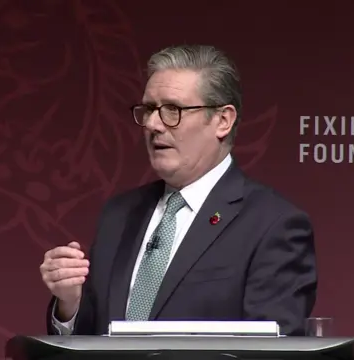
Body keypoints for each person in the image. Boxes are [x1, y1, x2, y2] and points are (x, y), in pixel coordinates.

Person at [40, 44, 317, 336]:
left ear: (223, 120)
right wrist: (69, 304)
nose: (152, 124)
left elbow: (271, 351)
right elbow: (93, 337)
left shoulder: (273, 225)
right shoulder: (119, 215)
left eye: (173, 110)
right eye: (148, 109)